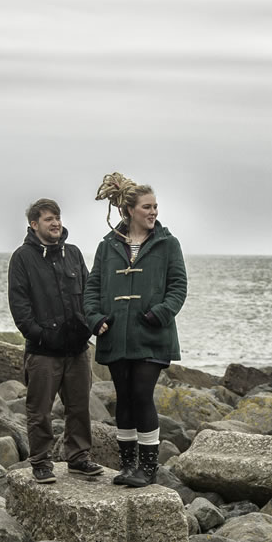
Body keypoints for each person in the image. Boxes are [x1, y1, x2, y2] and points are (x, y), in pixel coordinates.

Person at [83, 173, 187, 487]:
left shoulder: (168, 243)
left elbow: (178, 287)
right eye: (147, 207)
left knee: (142, 395)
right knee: (124, 398)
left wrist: (161, 313)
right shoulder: (108, 245)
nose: (153, 212)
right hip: (115, 334)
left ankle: (148, 468)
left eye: (155, 206)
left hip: (153, 333)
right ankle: (127, 467)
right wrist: (95, 318)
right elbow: (92, 288)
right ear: (130, 211)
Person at [8, 198, 104, 484]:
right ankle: (40, 462)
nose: (55, 223)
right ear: (34, 225)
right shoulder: (22, 258)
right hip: (42, 352)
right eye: (49, 219)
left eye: (58, 217)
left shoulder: (72, 254)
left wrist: (88, 328)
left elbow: (89, 295)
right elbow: (20, 306)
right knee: (39, 411)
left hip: (76, 349)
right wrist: (42, 335)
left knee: (79, 407)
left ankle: (78, 458)